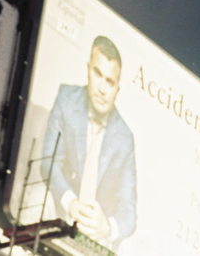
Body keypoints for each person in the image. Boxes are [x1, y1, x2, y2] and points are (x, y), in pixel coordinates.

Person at [42, 35, 137, 247]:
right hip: (61, 209)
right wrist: (70, 202)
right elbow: (48, 162)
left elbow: (129, 210)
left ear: (117, 90)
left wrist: (107, 226)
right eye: (98, 74)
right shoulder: (67, 99)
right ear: (88, 70)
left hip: (96, 233)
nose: (102, 88)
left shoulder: (125, 138)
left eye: (110, 82)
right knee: (39, 199)